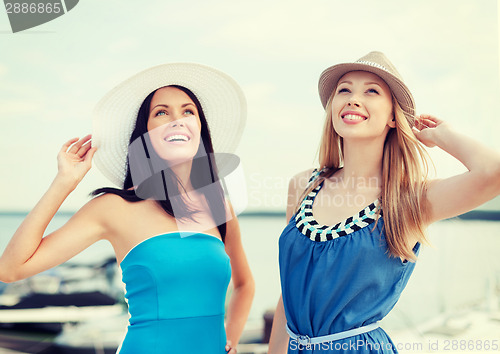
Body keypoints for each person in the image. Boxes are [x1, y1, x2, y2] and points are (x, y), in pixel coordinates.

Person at [0, 63, 255, 353]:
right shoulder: (114, 207)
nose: (177, 120)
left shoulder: (218, 203)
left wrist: (230, 340)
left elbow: (244, 285)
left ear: (200, 128)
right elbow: (11, 269)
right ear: (144, 135)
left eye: (188, 111)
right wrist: (63, 183)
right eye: (161, 112)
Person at [268, 51, 500, 353]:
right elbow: (290, 295)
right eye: (345, 90)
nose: (353, 99)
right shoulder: (303, 185)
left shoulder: (408, 201)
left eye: (371, 91)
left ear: (393, 116)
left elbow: (492, 173)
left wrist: (442, 135)